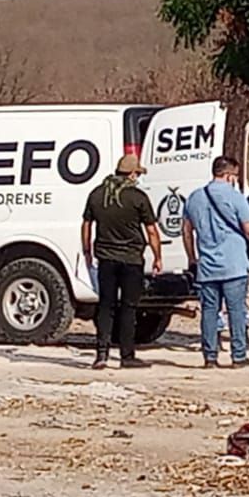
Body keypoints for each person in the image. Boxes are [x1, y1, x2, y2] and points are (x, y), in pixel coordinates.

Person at [81, 154, 163, 370]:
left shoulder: (98, 195)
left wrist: (87, 250)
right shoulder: (138, 198)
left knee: (106, 306)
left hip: (106, 258)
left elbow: (86, 224)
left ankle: (101, 354)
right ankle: (127, 355)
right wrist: (157, 256)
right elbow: (152, 231)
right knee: (128, 307)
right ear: (133, 174)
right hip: (131, 259)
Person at [183, 156, 249, 368]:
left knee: (209, 311)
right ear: (228, 175)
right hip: (234, 264)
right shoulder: (235, 197)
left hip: (207, 266)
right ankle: (238, 355)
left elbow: (187, 231)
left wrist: (192, 258)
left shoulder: (194, 197)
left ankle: (210, 357)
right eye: (234, 176)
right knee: (236, 311)